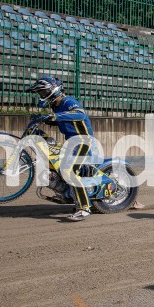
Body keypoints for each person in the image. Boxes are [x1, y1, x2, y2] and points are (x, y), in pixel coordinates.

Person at [28, 77, 94, 221]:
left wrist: (54, 116)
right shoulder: (56, 106)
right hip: (71, 142)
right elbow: (64, 122)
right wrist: (46, 119)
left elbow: (80, 114)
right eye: (40, 93)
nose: (42, 95)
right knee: (55, 169)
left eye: (43, 92)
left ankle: (84, 208)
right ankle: (69, 194)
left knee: (70, 171)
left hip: (82, 141)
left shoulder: (68, 102)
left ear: (53, 90)